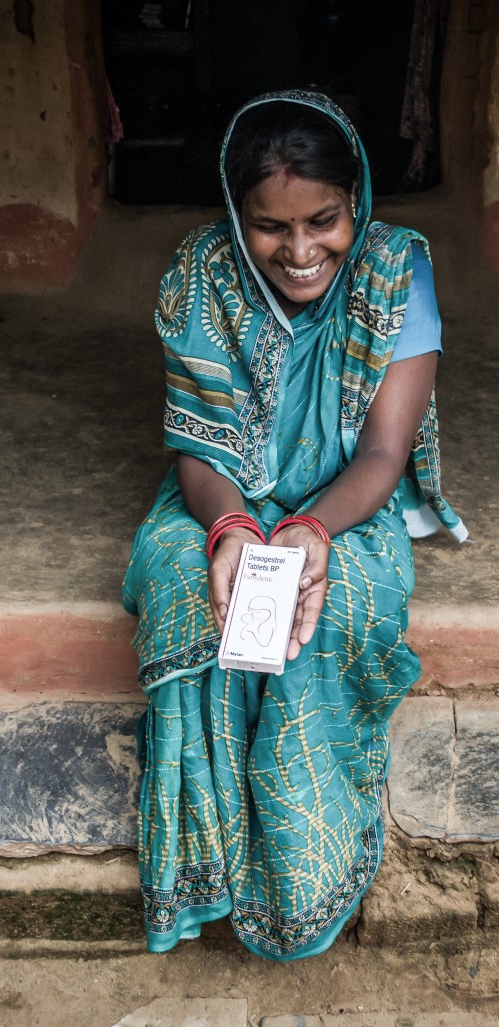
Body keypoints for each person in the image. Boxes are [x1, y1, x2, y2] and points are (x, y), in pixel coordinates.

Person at [121, 90, 467, 961]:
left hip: (347, 504)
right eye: (271, 227)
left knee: (325, 615)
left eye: (325, 220)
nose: (301, 250)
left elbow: (384, 453)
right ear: (238, 217)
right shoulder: (201, 271)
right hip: (223, 494)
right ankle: (212, 868)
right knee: (189, 592)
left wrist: (310, 532)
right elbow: (199, 447)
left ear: (358, 203)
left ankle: (298, 880)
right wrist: (232, 527)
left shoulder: (396, 271)